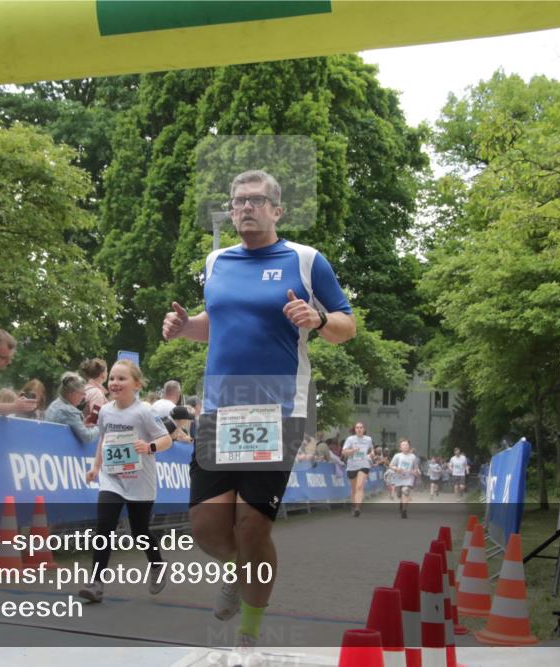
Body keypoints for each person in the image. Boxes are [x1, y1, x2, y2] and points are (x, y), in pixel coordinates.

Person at [162, 169, 356, 649]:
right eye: (238, 201)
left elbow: (346, 326)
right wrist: (185, 327)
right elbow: (219, 323)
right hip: (219, 410)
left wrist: (319, 318)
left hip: (276, 410)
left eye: (256, 200)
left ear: (277, 210)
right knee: (207, 527)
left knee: (252, 525)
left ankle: (249, 632)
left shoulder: (306, 260)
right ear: (230, 211)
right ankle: (236, 570)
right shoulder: (217, 261)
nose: (245, 207)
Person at [80, 360, 172, 602]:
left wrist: (149, 446)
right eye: (112, 378)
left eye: (122, 378)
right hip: (112, 479)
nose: (115, 383)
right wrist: (96, 466)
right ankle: (96, 583)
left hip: (140, 481)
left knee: (139, 532)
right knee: (104, 526)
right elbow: (104, 439)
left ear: (137, 384)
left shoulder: (144, 411)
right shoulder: (106, 411)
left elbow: (166, 439)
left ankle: (157, 564)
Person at [44, 372, 99, 444]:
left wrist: (83, 424)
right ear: (73, 394)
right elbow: (87, 437)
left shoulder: (55, 404)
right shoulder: (69, 411)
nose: (84, 397)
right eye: (82, 394)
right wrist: (100, 427)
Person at [342, 422, 374, 517]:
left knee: (359, 486)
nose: (359, 429)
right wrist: (353, 450)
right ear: (355, 429)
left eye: (361, 427)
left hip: (364, 465)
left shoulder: (368, 439)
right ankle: (353, 505)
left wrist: (372, 453)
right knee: (354, 489)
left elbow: (371, 448)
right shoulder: (350, 439)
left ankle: (357, 508)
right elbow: (343, 452)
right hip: (352, 466)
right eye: (357, 427)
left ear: (364, 429)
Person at [389, 439, 420, 518]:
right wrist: (396, 469)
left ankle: (404, 511)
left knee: (405, 491)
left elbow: (416, 467)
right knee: (399, 495)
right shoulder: (397, 456)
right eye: (403, 445)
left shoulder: (413, 457)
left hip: (409, 478)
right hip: (399, 478)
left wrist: (415, 472)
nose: (405, 446)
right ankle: (401, 503)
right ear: (400, 448)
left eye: (407, 445)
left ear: (409, 447)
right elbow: (391, 465)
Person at [79, 358, 108, 425]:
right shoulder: (97, 393)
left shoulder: (83, 388)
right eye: (106, 371)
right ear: (102, 374)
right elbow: (95, 420)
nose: (107, 373)